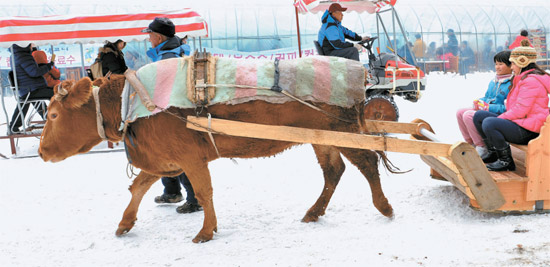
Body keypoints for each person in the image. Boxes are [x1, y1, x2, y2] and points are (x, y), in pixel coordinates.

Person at [142, 17, 202, 213]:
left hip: (175, 112)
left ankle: (195, 199)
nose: (148, 39)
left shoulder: (168, 57)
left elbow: (167, 88)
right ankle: (171, 191)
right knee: (164, 151)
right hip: (178, 109)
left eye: (150, 35)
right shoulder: (177, 50)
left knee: (178, 153)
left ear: (158, 37)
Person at [473, 40, 550, 171]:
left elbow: (520, 110)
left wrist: (500, 118)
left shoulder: (531, 81)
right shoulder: (523, 78)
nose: (512, 67)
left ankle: (506, 161)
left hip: (530, 130)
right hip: (523, 122)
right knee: (479, 116)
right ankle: (493, 153)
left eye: (513, 63)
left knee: (490, 123)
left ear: (522, 62)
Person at [456, 51, 512, 158]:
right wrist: (479, 102)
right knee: (460, 112)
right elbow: (487, 97)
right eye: (496, 64)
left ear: (511, 65)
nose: (497, 67)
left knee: (468, 115)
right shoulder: (494, 81)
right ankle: (470, 143)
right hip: (487, 110)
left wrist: (488, 107)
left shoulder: (511, 83)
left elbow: (507, 107)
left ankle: (481, 146)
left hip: (499, 114)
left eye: (501, 64)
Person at [8, 43, 55, 133]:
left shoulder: (15, 55)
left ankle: (13, 126)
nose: (31, 46)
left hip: (26, 89)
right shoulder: (24, 56)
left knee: (29, 102)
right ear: (24, 45)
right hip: (32, 89)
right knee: (56, 93)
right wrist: (48, 66)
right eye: (29, 44)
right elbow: (34, 72)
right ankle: (57, 120)